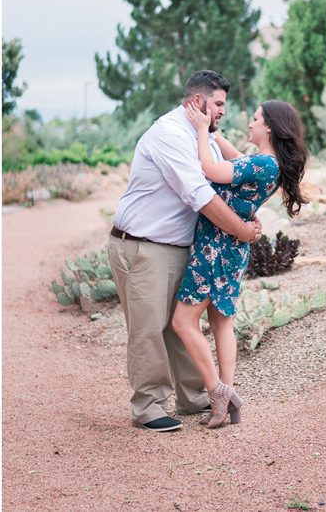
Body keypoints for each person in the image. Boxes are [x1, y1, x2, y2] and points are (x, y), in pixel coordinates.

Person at [107, 70, 263, 433]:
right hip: (142, 245)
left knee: (179, 326)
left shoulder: (201, 135)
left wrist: (251, 217)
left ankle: (193, 395)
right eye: (219, 103)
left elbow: (227, 181)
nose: (224, 110)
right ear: (198, 102)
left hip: (178, 245)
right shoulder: (168, 135)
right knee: (148, 328)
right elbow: (200, 195)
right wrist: (243, 232)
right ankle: (148, 406)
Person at [171, 98, 308, 428]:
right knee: (221, 323)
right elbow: (234, 158)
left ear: (269, 127)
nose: (250, 123)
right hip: (232, 249)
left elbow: (210, 170)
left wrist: (203, 130)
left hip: (214, 249)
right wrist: (214, 132)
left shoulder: (264, 164)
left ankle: (218, 391)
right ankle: (227, 399)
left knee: (182, 322)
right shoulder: (265, 163)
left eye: (256, 119)